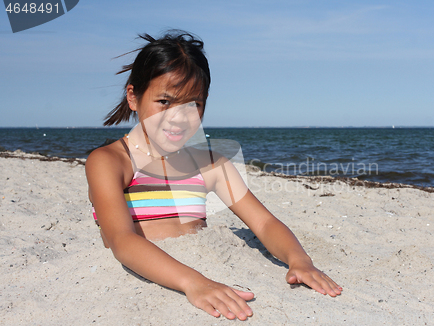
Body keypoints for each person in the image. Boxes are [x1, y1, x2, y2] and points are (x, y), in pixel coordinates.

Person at [85, 30, 342, 321]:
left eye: (193, 104)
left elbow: (264, 221)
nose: (179, 117)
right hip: (169, 281)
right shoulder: (110, 161)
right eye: (165, 102)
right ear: (134, 97)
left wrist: (299, 260)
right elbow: (121, 240)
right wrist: (194, 282)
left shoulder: (210, 164)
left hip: (213, 270)